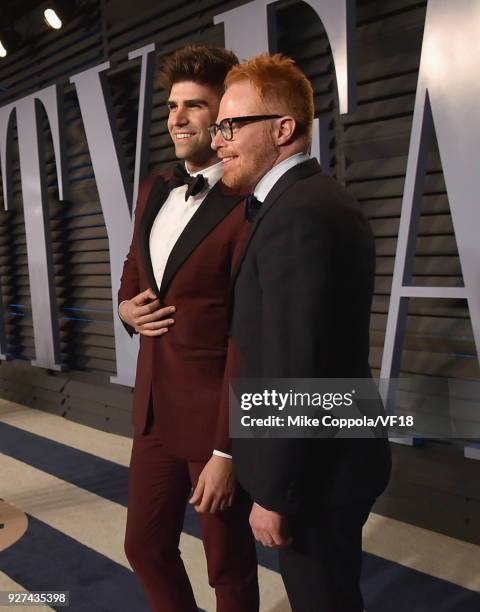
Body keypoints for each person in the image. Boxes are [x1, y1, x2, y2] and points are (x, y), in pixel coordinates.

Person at [210, 53, 392, 612]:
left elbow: (299, 368)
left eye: (230, 125)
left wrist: (276, 495)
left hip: (316, 479)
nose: (218, 141)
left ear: (283, 128)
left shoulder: (299, 214)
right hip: (328, 463)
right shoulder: (304, 202)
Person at [119, 45, 259, 612]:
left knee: (227, 564)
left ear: (223, 115)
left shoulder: (247, 200)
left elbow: (247, 333)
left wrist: (228, 448)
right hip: (153, 408)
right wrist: (125, 311)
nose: (177, 119)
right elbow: (133, 273)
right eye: (172, 106)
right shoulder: (154, 189)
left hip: (211, 418)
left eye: (194, 106)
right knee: (144, 547)